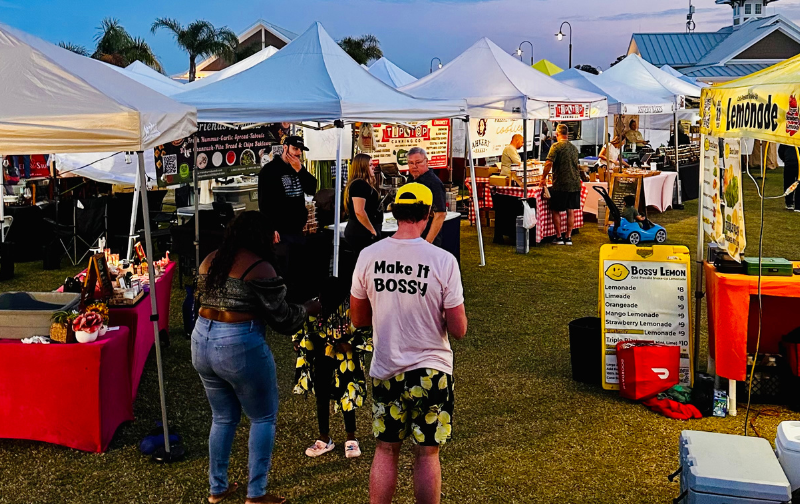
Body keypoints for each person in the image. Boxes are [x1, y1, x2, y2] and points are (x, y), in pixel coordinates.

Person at [350, 183, 468, 504]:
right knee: (427, 455)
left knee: (386, 450)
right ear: (428, 214)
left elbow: (358, 319)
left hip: (386, 367)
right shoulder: (443, 261)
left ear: (395, 212)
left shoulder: (368, 256)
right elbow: (459, 329)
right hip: (432, 371)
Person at [193, 211, 321, 504]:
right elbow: (284, 319)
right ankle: (256, 494)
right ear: (261, 236)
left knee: (223, 417)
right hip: (238, 341)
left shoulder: (210, 259)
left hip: (201, 339)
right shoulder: (259, 267)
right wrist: (311, 307)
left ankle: (217, 489)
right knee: (263, 417)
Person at [258, 135, 318, 301]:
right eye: (294, 149)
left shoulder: (297, 167)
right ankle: (281, 302)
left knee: (298, 268)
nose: (297, 153)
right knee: (282, 268)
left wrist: (300, 170)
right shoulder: (270, 171)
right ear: (285, 148)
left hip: (297, 227)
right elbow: (264, 203)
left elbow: (312, 188)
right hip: (280, 229)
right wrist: (270, 228)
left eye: (300, 150)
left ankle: (296, 299)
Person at [541, 124, 582, 246]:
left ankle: (559, 237)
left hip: (560, 183)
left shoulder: (556, 147)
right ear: (567, 134)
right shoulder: (574, 148)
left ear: (557, 134)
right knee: (571, 211)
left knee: (556, 210)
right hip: (574, 183)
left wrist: (543, 178)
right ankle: (568, 237)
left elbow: (548, 163)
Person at [407, 147, 446, 246]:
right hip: (411, 236)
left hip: (427, 238)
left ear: (426, 162)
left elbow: (440, 214)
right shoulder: (410, 180)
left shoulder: (434, 183)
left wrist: (427, 243)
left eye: (418, 162)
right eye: (411, 163)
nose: (414, 166)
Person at [344, 153, 382, 255]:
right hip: (361, 232)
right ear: (362, 167)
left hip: (364, 230)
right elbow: (359, 211)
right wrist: (372, 230)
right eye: (370, 165)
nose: (373, 167)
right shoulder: (359, 185)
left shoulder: (364, 184)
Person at [778, 144, 800, 211]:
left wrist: (786, 159)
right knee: (799, 184)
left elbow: (780, 151)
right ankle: (798, 206)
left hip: (789, 162)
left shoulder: (787, 138)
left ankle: (789, 203)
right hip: (797, 162)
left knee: (788, 182)